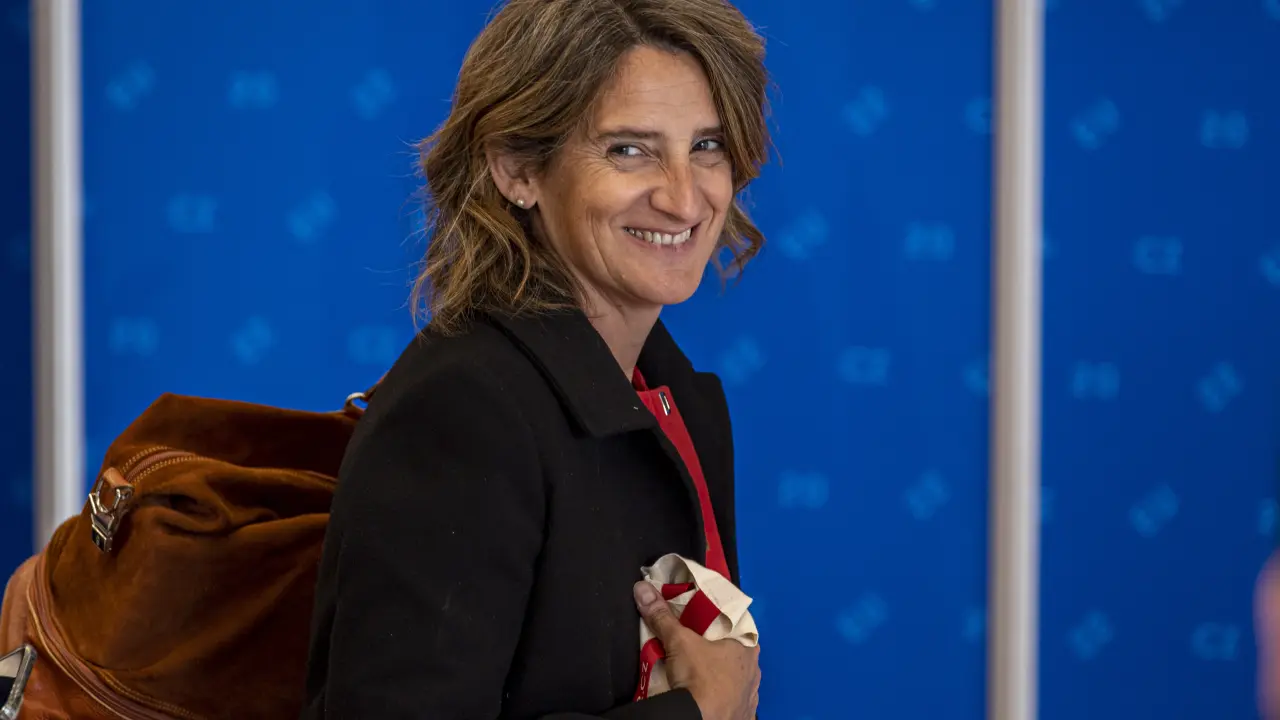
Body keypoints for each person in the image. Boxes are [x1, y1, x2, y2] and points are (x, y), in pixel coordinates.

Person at [303, 0, 770, 718]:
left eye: (706, 145)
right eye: (629, 149)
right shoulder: (463, 413)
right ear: (517, 168)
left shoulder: (675, 398)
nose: (684, 199)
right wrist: (698, 712)